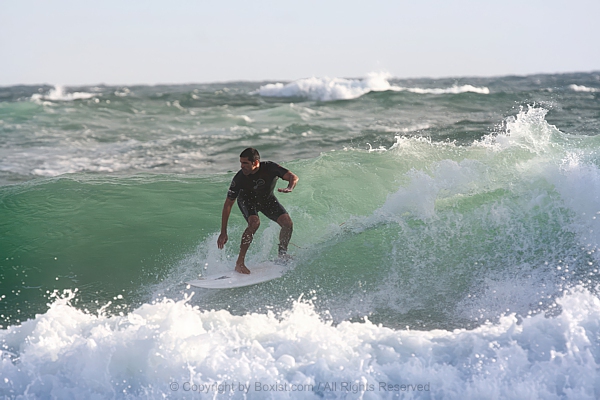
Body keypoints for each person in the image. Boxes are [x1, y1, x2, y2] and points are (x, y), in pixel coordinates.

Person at [217, 148, 298, 274]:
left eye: (245, 163)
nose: (241, 166)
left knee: (287, 223)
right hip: (247, 201)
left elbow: (293, 177)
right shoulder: (239, 178)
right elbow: (227, 205)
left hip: (267, 201)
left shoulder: (270, 168)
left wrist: (290, 187)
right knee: (254, 222)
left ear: (255, 163)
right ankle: (239, 263)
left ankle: (282, 254)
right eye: (241, 163)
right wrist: (223, 232)